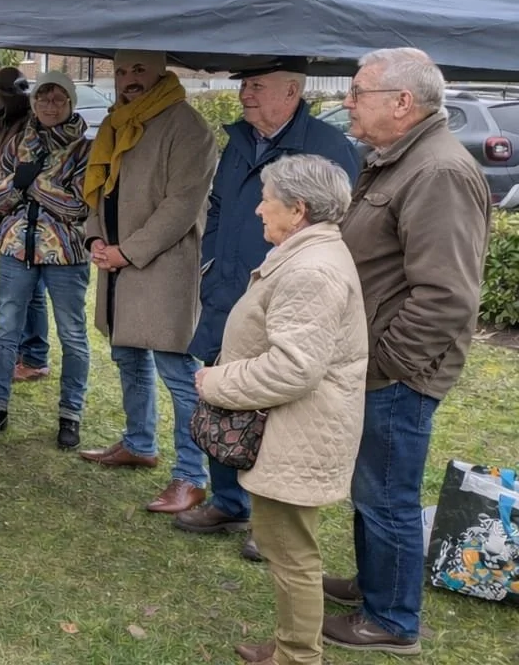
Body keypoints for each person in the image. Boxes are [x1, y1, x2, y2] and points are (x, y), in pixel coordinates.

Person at [321, 48, 488, 656]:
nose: (347, 101)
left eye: (357, 91)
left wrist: (386, 363)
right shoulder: (399, 159)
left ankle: (391, 620)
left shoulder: (437, 171)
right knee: (371, 487)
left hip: (398, 373)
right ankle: (374, 586)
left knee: (386, 493)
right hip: (375, 365)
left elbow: (446, 295)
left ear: (402, 103)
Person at [175, 59, 360, 561]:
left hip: (288, 295)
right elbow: (215, 208)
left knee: (273, 407)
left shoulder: (327, 147)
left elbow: (344, 225)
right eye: (245, 86)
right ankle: (228, 500)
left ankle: (268, 518)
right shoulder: (239, 141)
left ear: (292, 92)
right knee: (220, 390)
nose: (244, 95)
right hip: (229, 290)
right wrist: (211, 264)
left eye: (256, 87)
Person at [195, 155, 367, 665]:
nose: (257, 210)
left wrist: (216, 381)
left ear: (298, 209)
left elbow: (294, 368)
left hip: (301, 431)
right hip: (295, 429)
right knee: (283, 544)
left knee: (291, 550)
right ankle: (293, 645)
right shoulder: (309, 256)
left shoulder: (312, 270)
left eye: (267, 198)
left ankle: (297, 657)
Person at [78, 51, 217, 518]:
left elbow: (181, 207)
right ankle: (139, 443)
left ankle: (192, 476)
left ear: (160, 72)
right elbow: (97, 190)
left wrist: (126, 251)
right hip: (117, 264)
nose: (128, 80)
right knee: (127, 357)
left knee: (178, 373)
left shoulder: (187, 126)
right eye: (121, 71)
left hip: (161, 268)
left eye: (139, 70)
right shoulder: (117, 122)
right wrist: (96, 237)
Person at [0, 71, 93, 450]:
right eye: (43, 98)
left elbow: (79, 206)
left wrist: (31, 185)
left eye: (58, 99)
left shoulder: (85, 149)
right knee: (4, 328)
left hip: (65, 254)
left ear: (71, 103)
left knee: (72, 336)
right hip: (16, 248)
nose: (49, 105)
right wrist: (20, 187)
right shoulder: (18, 141)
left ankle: (70, 414)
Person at [0, 65, 51, 381]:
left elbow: (23, 178)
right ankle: (16, 351)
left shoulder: (26, 127)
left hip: (24, 224)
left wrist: (7, 209)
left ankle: (34, 358)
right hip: (12, 221)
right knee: (26, 292)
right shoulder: (10, 122)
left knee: (31, 294)